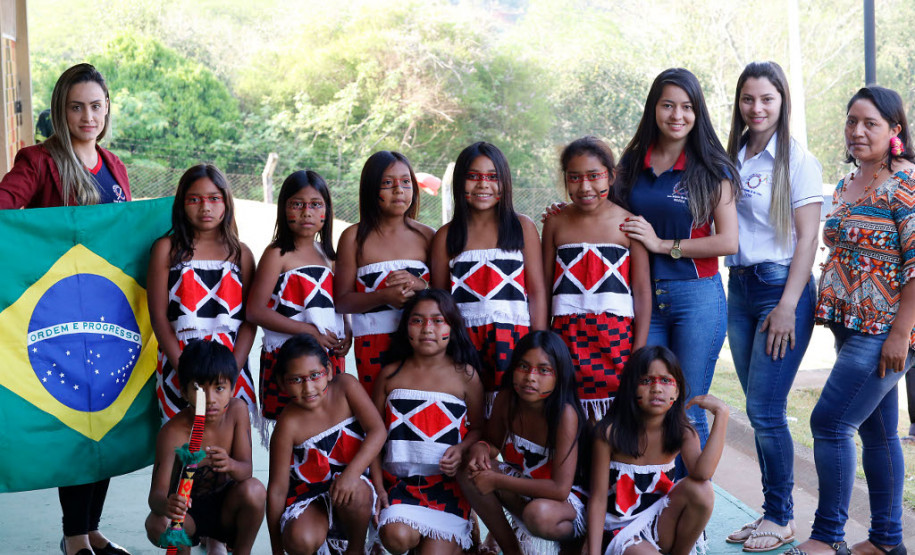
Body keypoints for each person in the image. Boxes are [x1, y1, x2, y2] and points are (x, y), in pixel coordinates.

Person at [0, 63, 130, 555]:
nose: (87, 116)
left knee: (109, 419)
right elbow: (5, 213)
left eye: (96, 106)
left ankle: (92, 527)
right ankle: (74, 536)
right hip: (58, 318)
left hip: (110, 314)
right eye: (76, 106)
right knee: (76, 419)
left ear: (107, 108)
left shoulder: (114, 167)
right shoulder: (37, 161)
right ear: (60, 110)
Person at [787, 86, 915, 555]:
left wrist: (902, 333)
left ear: (894, 130)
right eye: (851, 121)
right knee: (876, 432)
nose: (857, 131)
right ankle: (886, 542)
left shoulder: (907, 184)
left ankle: (828, 537)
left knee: (829, 422)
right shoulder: (847, 183)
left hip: (887, 330)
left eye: (871, 124)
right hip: (850, 326)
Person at [722, 61, 823, 552]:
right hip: (738, 288)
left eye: (767, 98)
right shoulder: (733, 157)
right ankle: (769, 510)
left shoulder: (798, 160)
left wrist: (787, 305)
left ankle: (781, 516)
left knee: (765, 408)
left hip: (781, 288)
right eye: (748, 99)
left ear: (782, 102)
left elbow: (807, 240)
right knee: (757, 408)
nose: (757, 108)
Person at [617, 68, 739, 449]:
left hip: (696, 297)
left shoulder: (712, 169)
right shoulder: (631, 165)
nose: (677, 115)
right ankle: (655, 501)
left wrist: (662, 245)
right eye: (668, 105)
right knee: (647, 403)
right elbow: (607, 213)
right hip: (643, 298)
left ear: (698, 113)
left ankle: (695, 501)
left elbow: (728, 241)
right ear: (654, 108)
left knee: (686, 407)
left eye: (687, 107)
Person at [430, 141, 548, 415]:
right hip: (464, 343)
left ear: (505, 182)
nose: (483, 184)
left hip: (515, 342)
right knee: (472, 414)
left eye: (492, 177)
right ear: (459, 182)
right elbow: (440, 301)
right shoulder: (446, 236)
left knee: (513, 413)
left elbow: (538, 292)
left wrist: (539, 344)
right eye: (473, 176)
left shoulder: (522, 227)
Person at [541, 136, 651, 420]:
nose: (585, 186)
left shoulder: (629, 224)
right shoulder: (555, 222)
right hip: (566, 339)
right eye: (574, 178)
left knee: (612, 422)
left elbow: (641, 291)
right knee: (569, 418)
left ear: (611, 176)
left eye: (594, 176)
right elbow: (542, 287)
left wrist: (637, 352)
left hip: (615, 342)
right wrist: (542, 343)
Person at [586, 346, 728, 555]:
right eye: (646, 381)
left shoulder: (683, 432)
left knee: (702, 489)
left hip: (658, 523)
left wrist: (722, 415)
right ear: (630, 388)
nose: (657, 388)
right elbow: (597, 499)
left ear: (677, 390)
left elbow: (702, 473)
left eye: (666, 381)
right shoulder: (609, 433)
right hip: (618, 528)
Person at [372, 289, 484, 553]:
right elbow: (374, 437)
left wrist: (461, 449)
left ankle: (464, 532)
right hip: (399, 488)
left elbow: (479, 429)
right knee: (396, 537)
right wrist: (379, 488)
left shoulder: (466, 376)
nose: (427, 329)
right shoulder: (390, 375)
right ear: (406, 327)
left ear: (452, 327)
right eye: (417, 320)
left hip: (449, 490)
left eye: (437, 320)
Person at [147, 164, 257, 422]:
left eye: (214, 199)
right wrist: (184, 371)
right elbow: (159, 318)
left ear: (226, 203)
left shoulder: (241, 254)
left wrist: (231, 372)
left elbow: (250, 320)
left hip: (231, 366)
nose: (205, 207)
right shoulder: (167, 249)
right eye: (194, 199)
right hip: (179, 365)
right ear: (181, 205)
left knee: (228, 450)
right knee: (183, 447)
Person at [462, 330, 587, 554]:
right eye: (524, 366)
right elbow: (492, 443)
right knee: (467, 469)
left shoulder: (565, 414)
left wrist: (497, 480)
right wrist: (481, 448)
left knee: (537, 514)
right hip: (524, 485)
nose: (531, 377)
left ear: (559, 376)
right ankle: (512, 549)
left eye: (544, 370)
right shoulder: (507, 399)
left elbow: (559, 489)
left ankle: (572, 546)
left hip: (564, 504)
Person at [247, 170, 350, 431]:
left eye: (316, 204)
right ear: (284, 209)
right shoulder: (277, 254)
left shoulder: (330, 256)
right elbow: (255, 311)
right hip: (289, 360)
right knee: (293, 428)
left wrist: (348, 331)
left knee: (326, 427)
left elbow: (339, 302)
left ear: (327, 211)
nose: (307, 212)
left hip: (327, 357)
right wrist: (308, 331)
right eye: (297, 204)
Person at [266, 334, 385, 555]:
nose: (308, 388)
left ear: (329, 371)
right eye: (296, 380)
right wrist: (276, 549)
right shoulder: (287, 424)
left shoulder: (346, 387)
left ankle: (356, 550)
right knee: (300, 539)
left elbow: (377, 430)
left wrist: (351, 475)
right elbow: (277, 490)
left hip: (356, 487)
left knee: (355, 490)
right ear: (282, 383)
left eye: (314, 375)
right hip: (311, 498)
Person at [144, 340, 266, 555]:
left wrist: (230, 464)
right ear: (183, 392)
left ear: (232, 388)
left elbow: (246, 471)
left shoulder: (237, 411)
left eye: (219, 388)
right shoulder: (172, 432)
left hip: (226, 510)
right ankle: (184, 550)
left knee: (255, 490)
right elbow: (156, 496)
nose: (210, 399)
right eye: (199, 389)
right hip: (188, 516)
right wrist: (169, 505)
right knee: (157, 524)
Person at [334, 151, 435, 396]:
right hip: (373, 343)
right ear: (370, 189)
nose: (399, 190)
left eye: (406, 182)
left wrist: (420, 285)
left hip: (423, 342)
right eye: (387, 183)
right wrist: (383, 297)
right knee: (381, 411)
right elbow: (342, 300)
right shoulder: (354, 238)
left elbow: (445, 295)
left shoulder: (428, 236)